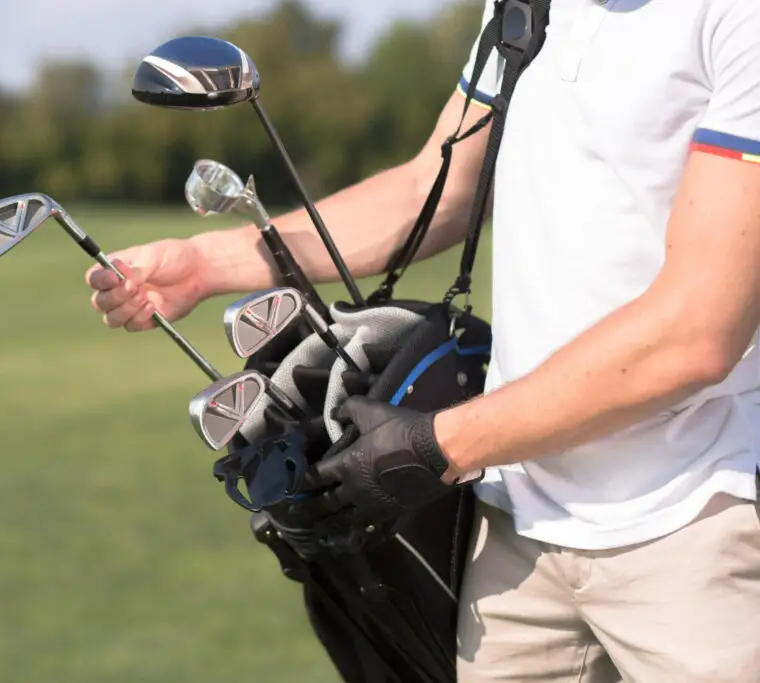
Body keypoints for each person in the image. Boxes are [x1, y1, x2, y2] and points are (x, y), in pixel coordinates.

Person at [86, 0, 760, 680]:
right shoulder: (528, 7)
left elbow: (697, 330)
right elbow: (434, 187)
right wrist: (209, 263)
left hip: (698, 519)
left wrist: (437, 443)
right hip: (516, 528)